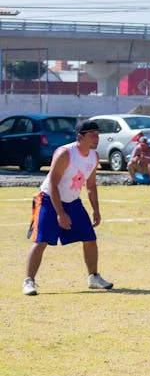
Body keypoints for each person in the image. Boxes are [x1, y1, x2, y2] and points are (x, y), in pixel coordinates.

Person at [23, 119, 114, 296]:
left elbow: (91, 185)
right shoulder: (65, 154)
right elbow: (53, 185)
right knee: (41, 241)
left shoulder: (94, 157)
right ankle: (29, 281)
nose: (97, 138)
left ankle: (93, 277)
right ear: (80, 136)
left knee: (90, 238)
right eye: (93, 135)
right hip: (49, 199)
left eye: (98, 134)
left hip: (73, 201)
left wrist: (96, 209)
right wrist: (60, 213)